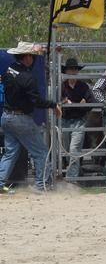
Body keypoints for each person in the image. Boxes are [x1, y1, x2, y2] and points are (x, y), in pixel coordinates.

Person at [0, 42, 62, 194]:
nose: (33, 59)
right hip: (20, 118)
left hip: (6, 116)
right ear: (26, 57)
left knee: (10, 152)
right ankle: (41, 185)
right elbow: (37, 101)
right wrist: (53, 105)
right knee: (40, 152)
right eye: (32, 56)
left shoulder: (9, 70)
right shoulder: (28, 77)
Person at [60, 58, 94, 182]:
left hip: (79, 121)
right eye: (71, 69)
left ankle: (71, 179)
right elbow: (58, 101)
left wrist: (72, 103)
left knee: (74, 150)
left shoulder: (83, 86)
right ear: (66, 71)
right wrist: (65, 102)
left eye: (75, 69)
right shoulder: (62, 86)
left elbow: (90, 102)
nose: (73, 71)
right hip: (65, 121)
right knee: (69, 150)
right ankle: (74, 174)